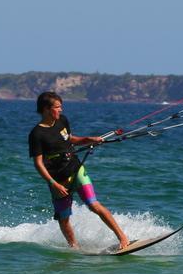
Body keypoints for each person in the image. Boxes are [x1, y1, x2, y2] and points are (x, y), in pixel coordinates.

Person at [28, 91, 129, 251]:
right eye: (57, 107)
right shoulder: (37, 134)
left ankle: (123, 238)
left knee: (94, 205)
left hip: (76, 170)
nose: (61, 110)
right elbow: (38, 163)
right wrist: (53, 184)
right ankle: (74, 247)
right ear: (47, 109)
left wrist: (88, 139)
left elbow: (70, 139)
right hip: (58, 180)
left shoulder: (62, 120)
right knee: (63, 218)